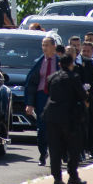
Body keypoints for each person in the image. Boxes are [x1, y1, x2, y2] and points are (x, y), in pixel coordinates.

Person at [43, 53, 88, 184]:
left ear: (59, 64)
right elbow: (82, 95)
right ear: (71, 64)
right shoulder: (74, 77)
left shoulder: (51, 77)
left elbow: (48, 92)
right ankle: (73, 176)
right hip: (69, 117)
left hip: (51, 115)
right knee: (74, 148)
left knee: (54, 148)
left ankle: (57, 178)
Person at [24, 36, 59, 166]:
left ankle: (59, 153)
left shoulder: (59, 62)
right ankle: (43, 154)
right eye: (43, 45)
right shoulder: (38, 62)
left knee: (56, 127)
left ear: (54, 46)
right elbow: (31, 84)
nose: (44, 48)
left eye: (47, 45)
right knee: (42, 127)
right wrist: (30, 103)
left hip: (56, 98)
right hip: (41, 97)